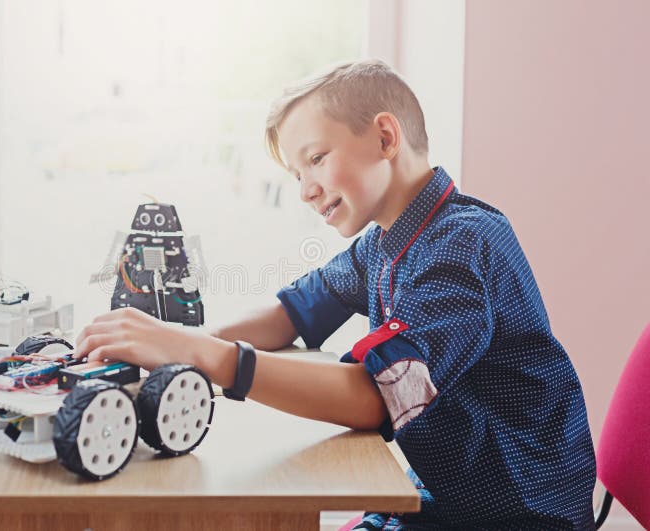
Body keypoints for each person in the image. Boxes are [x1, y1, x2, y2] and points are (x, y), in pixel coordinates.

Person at [75, 59, 596, 529]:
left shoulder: (459, 244)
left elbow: (379, 396)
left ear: (386, 139)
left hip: (516, 515)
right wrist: (177, 340)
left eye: (317, 159)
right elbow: (291, 313)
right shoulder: (386, 241)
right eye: (298, 174)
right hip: (450, 497)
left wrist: (205, 356)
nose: (304, 189)